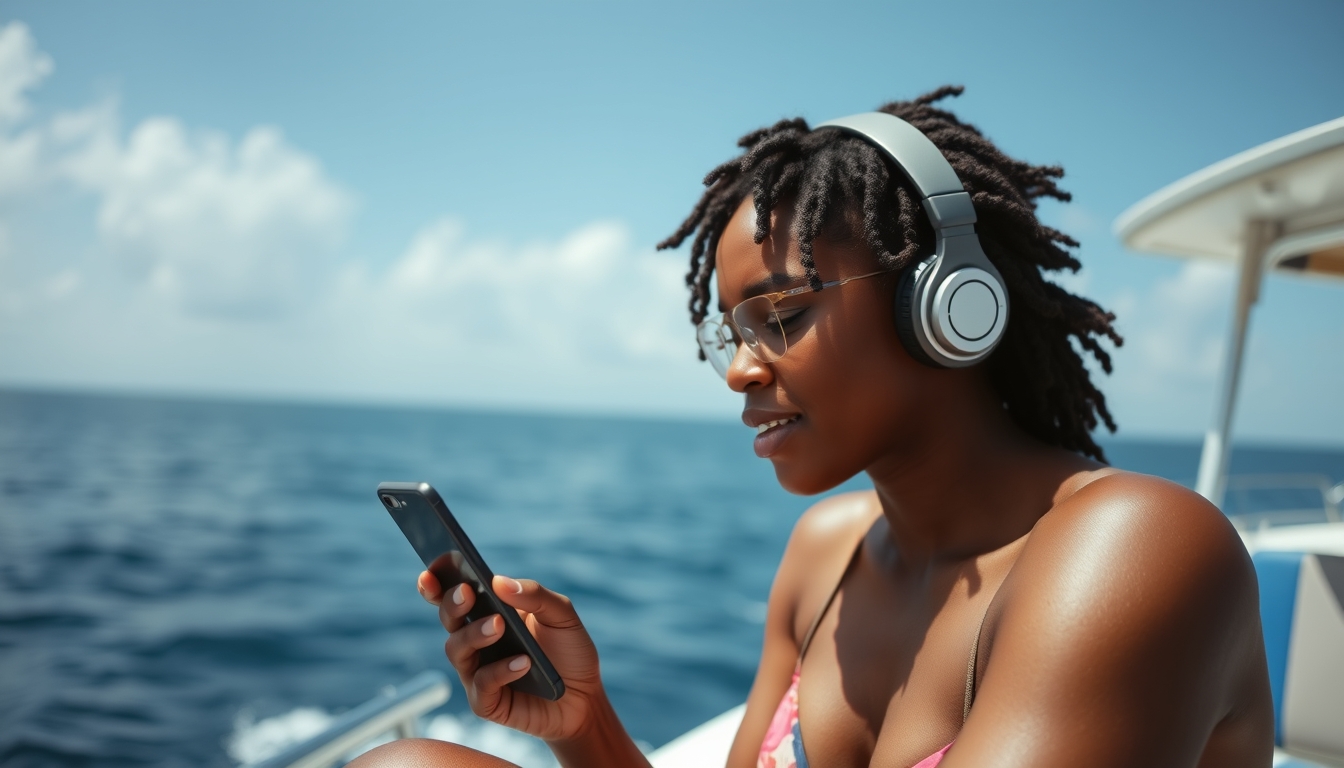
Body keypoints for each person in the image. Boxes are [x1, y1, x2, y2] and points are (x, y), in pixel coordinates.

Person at [351, 87, 1273, 768]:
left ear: (948, 307)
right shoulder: (825, 555)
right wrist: (585, 724)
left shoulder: (1137, 549)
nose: (743, 371)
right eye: (730, 335)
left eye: (781, 317)